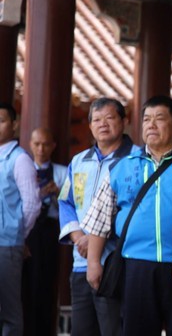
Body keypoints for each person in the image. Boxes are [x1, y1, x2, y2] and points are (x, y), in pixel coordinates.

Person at [83, 95, 172, 336]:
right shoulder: (124, 166)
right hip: (135, 263)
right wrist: (93, 263)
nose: (151, 125)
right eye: (147, 119)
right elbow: (100, 219)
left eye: (159, 119)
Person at [59, 97, 138, 336]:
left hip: (115, 261)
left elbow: (134, 209)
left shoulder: (136, 159)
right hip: (81, 261)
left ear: (124, 121)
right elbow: (65, 202)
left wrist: (93, 240)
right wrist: (79, 237)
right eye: (96, 119)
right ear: (90, 125)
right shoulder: (78, 161)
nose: (102, 124)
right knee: (82, 330)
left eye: (110, 118)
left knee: (113, 329)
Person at [0, 102, 41, 336]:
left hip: (6, 245)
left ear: (14, 125)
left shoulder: (19, 159)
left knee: (9, 311)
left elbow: (33, 204)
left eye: (1, 120)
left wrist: (17, 235)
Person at [22, 127, 68, 336]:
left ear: (53, 146)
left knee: (47, 282)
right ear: (30, 144)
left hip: (51, 232)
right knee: (24, 283)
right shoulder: (22, 170)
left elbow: (71, 206)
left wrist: (58, 193)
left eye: (46, 144)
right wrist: (38, 194)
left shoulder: (62, 172)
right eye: (37, 144)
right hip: (26, 232)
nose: (41, 149)